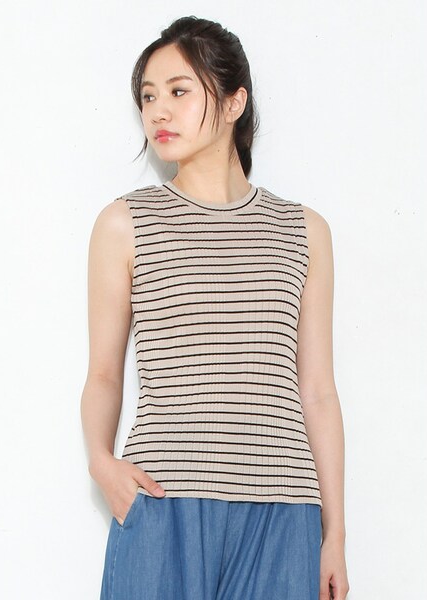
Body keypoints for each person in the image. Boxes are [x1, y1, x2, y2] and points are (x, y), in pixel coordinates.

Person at [80, 15, 350, 600]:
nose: (159, 111)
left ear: (233, 102)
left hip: (283, 510)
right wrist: (102, 463)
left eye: (179, 92)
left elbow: (318, 392)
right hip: (163, 500)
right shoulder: (126, 223)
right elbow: (103, 373)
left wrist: (334, 535)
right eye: (148, 96)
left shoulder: (304, 231)